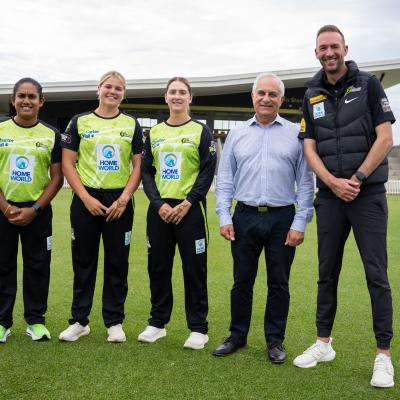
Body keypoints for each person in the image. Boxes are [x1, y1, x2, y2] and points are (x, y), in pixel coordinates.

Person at [293, 25, 395, 388]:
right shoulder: (311, 93)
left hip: (366, 194)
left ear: (345, 48)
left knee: (376, 275)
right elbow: (309, 147)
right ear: (316, 52)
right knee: (326, 272)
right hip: (330, 197)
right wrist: (333, 183)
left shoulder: (368, 85)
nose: (329, 52)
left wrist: (357, 178)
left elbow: (386, 137)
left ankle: (383, 356)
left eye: (334, 46)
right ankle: (323, 343)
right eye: (323, 47)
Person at [212, 73, 314, 362]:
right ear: (253, 97)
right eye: (261, 93)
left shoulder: (296, 133)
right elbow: (226, 178)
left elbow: (306, 182)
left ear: (281, 99)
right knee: (241, 281)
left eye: (272, 94)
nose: (266, 99)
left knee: (278, 283)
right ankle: (237, 336)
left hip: (283, 218)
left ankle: (274, 341)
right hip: (244, 216)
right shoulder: (237, 134)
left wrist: (300, 222)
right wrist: (224, 216)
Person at [59, 71, 142, 343]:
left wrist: (124, 198)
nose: (113, 91)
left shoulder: (131, 124)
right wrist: (85, 198)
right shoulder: (79, 122)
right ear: (99, 89)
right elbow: (68, 164)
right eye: (108, 86)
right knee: (83, 262)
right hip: (86, 200)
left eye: (118, 88)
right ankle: (79, 321)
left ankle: (114, 322)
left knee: (117, 262)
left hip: (119, 201)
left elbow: (139, 166)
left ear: (123, 94)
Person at [139, 77, 216, 350]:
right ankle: (157, 323)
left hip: (190, 210)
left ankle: (198, 328)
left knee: (194, 269)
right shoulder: (155, 133)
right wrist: (158, 203)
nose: (177, 96)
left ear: (190, 98)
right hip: (159, 210)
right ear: (166, 97)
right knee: (158, 267)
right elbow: (146, 171)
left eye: (182, 92)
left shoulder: (201, 131)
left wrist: (188, 202)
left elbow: (208, 170)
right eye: (173, 92)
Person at [0, 78, 63, 342]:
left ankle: (36, 321)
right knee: (2, 266)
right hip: (3, 210)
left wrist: (35, 209)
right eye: (21, 96)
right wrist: (5, 207)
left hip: (38, 212)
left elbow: (57, 177)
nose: (26, 101)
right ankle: (2, 322)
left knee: (38, 265)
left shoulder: (51, 134)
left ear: (41, 102)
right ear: (13, 100)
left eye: (32, 96)